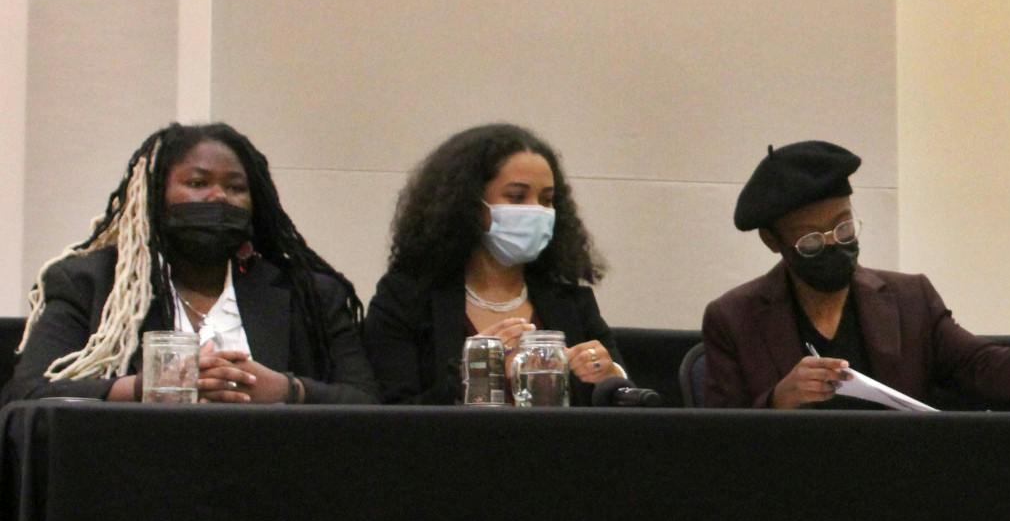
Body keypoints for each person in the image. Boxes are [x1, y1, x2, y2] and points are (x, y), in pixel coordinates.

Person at [701, 140, 1010, 409]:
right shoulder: (734, 319)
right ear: (773, 241)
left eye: (843, 228)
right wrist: (778, 401)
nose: (832, 245)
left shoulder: (910, 299)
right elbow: (715, 445)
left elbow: (979, 366)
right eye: (810, 241)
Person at [3, 122, 375, 404]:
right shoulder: (88, 283)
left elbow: (368, 401)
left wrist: (285, 390)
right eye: (197, 183)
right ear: (155, 196)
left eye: (235, 187)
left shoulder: (309, 294)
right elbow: (26, 394)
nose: (218, 197)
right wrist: (144, 387)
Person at [364, 124, 626, 405]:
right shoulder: (405, 298)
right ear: (468, 204)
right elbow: (392, 417)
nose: (536, 211)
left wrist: (610, 377)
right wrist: (473, 376)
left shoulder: (570, 301)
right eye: (516, 196)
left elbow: (626, 402)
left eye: (547, 200)